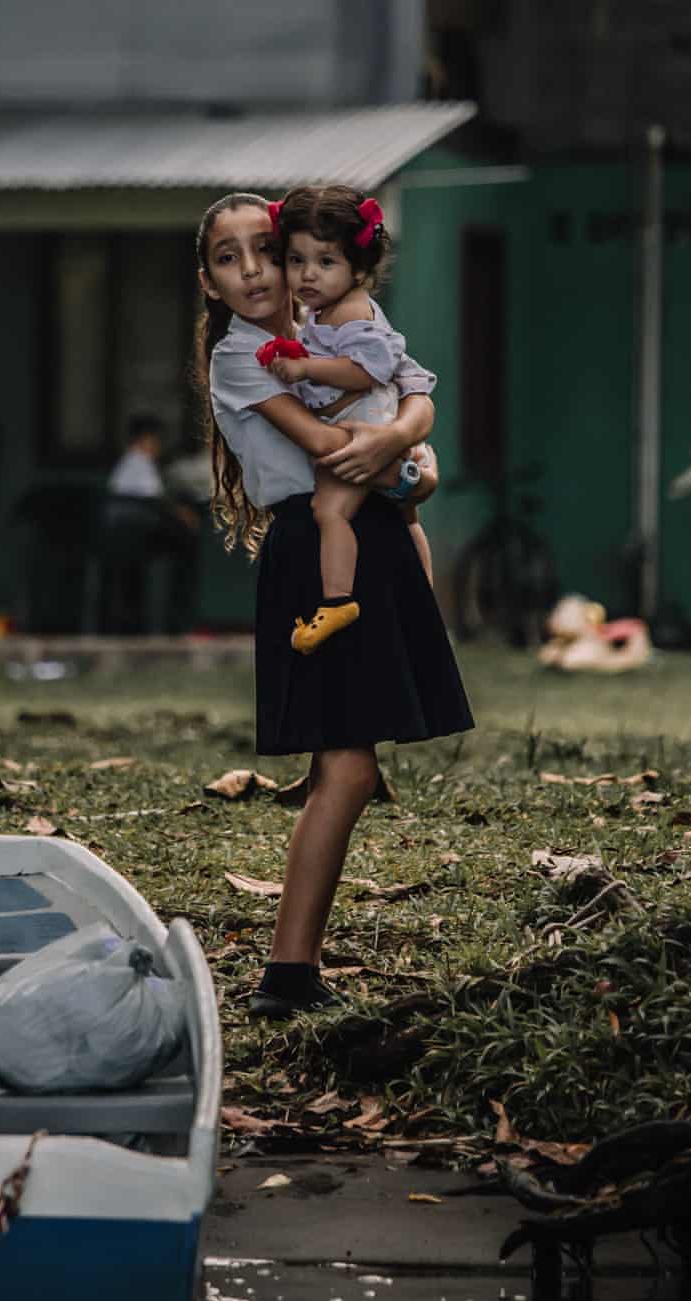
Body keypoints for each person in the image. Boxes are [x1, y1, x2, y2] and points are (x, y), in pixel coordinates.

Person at [193, 191, 474, 1018]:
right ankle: (286, 973)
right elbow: (332, 449)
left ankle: (296, 965)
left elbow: (414, 391)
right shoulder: (244, 358)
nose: (253, 270)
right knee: (348, 767)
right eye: (226, 257)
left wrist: (409, 445)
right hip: (318, 556)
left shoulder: (332, 331)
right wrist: (401, 449)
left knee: (343, 764)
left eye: (265, 250)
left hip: (369, 538)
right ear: (208, 283)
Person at [259, 186, 434, 653]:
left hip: (363, 428)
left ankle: (337, 599)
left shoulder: (352, 312)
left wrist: (304, 367)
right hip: (372, 426)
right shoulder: (326, 312)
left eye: (325, 262)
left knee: (330, 510)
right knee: (408, 514)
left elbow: (365, 370)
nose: (307, 274)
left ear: (359, 268)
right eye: (296, 261)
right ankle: (424, 597)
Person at [101, 414, 200, 632]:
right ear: (145, 439)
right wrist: (182, 514)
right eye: (155, 440)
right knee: (185, 543)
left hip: (126, 542)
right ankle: (175, 621)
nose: (158, 446)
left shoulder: (131, 462)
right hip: (134, 542)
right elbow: (155, 499)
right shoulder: (138, 461)